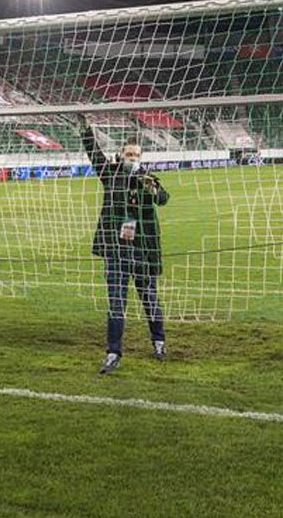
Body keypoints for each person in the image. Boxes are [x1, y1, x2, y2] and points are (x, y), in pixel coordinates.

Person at [80, 118, 169, 374]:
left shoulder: (147, 178)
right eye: (128, 154)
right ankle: (113, 352)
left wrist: (154, 189)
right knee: (116, 303)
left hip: (142, 251)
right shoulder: (111, 174)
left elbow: (163, 199)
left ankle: (159, 341)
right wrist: (86, 131)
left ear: (141, 157)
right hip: (116, 251)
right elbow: (94, 155)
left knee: (150, 299)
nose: (132, 158)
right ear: (121, 155)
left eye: (136, 155)